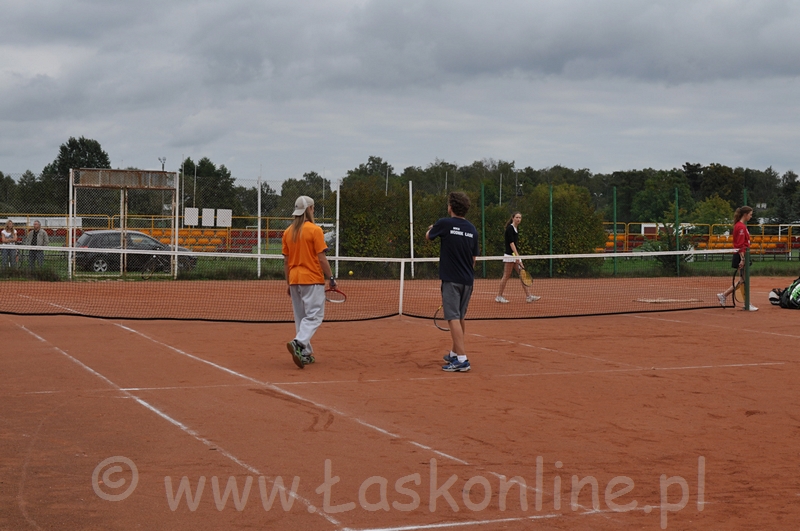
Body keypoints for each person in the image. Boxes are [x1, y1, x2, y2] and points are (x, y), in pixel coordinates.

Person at [426, 192, 479, 372]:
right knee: (460, 317)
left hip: (451, 280)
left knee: (453, 318)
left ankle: (462, 360)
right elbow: (473, 259)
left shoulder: (444, 223)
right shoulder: (472, 229)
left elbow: (428, 237)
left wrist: (432, 228)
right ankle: (455, 353)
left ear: (450, 207)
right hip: (468, 280)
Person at [282, 195, 336, 369]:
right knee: (315, 316)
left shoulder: (288, 232)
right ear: (309, 209)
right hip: (312, 279)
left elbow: (286, 261)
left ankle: (304, 353)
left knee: (301, 317)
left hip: (295, 279)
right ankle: (298, 343)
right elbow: (321, 258)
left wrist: (289, 283)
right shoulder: (315, 230)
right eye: (313, 208)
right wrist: (331, 277)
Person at [717, 206, 757, 311]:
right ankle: (746, 303)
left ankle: (724, 295)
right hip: (741, 255)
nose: (751, 216)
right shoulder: (740, 227)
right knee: (744, 280)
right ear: (745, 214)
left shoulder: (741, 226)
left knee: (743, 280)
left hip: (743, 254)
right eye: (750, 214)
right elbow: (740, 245)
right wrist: (742, 259)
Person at [496, 211, 540, 303]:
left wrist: (517, 257)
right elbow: (511, 244)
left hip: (514, 255)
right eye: (517, 217)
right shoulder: (510, 228)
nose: (518, 219)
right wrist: (517, 257)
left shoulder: (515, 229)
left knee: (522, 275)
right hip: (509, 256)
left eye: (520, 218)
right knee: (506, 276)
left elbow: (514, 245)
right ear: (513, 218)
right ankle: (499, 296)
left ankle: (528, 296)